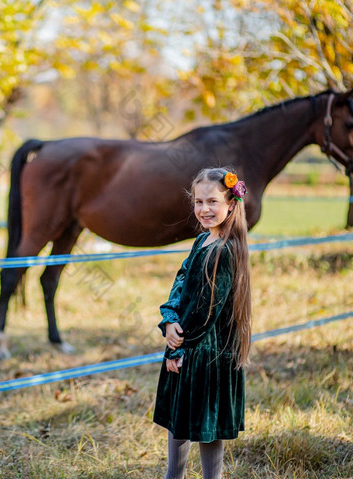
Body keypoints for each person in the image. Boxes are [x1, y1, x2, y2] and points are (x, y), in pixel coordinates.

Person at [153, 167, 252, 479]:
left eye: (212, 202)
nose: (204, 209)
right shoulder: (201, 242)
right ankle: (174, 475)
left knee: (207, 427)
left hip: (207, 355)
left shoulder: (227, 251)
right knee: (179, 418)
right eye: (198, 202)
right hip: (186, 347)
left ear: (231, 205)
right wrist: (169, 321)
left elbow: (206, 312)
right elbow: (181, 284)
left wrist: (177, 349)